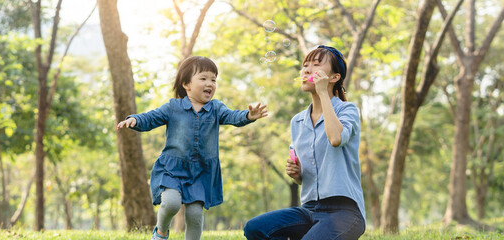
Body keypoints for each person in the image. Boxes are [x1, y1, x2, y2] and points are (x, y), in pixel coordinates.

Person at [116, 56, 268, 240]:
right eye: (203, 78)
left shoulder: (216, 108)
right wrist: (135, 120)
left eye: (213, 79)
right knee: (171, 203)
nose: (210, 83)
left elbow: (233, 117)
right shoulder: (173, 107)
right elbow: (151, 117)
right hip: (173, 169)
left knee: (195, 215)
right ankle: (161, 232)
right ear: (186, 83)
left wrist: (249, 115)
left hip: (200, 173)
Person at [243, 45, 365, 240]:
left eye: (316, 65)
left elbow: (335, 138)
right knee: (255, 228)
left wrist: (324, 93)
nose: (307, 70)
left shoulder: (347, 110)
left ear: (334, 77)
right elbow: (304, 178)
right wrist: (298, 174)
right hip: (309, 210)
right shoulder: (297, 121)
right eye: (305, 65)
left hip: (344, 212)